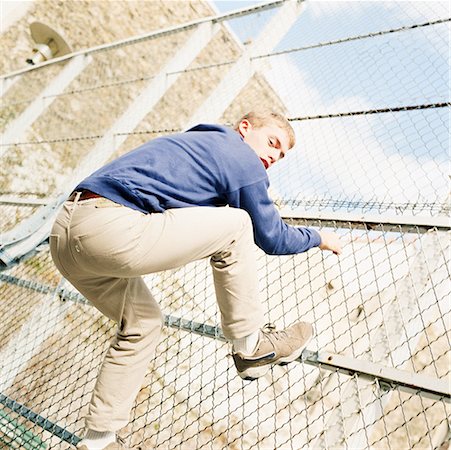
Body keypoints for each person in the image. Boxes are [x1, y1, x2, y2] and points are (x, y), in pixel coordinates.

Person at [50, 111, 342, 450]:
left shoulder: (201, 144)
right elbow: (273, 237)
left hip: (67, 235)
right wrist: (318, 237)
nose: (272, 157)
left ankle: (98, 440)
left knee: (143, 322)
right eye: (272, 143)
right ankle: (251, 347)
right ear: (244, 128)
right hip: (110, 229)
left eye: (280, 156)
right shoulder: (241, 157)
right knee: (236, 225)